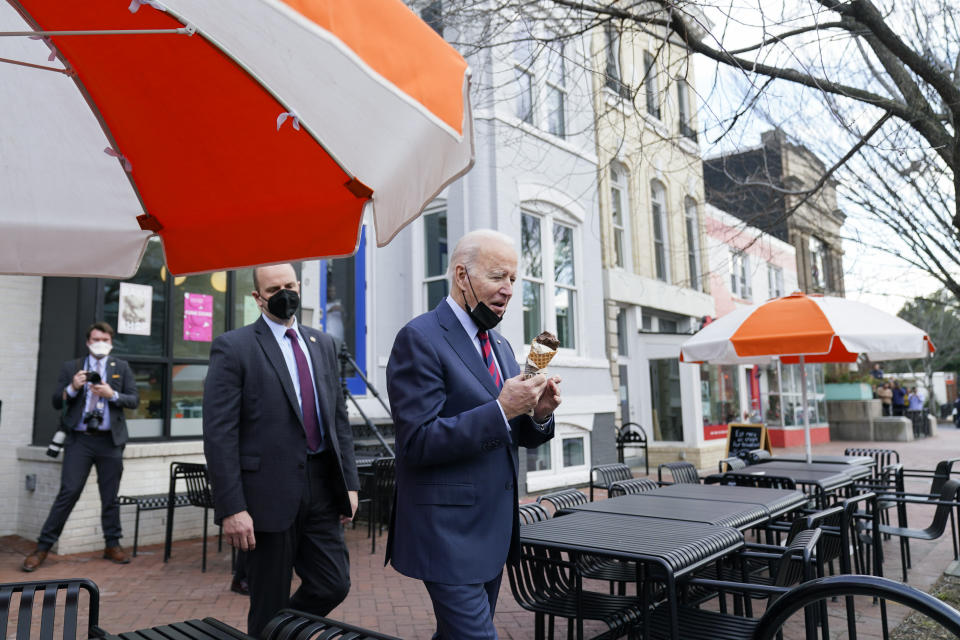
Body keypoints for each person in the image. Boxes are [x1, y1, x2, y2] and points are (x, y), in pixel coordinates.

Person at [385, 229, 561, 639]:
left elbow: (512, 433)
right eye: (498, 276)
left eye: (514, 280)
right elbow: (417, 442)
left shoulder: (500, 345)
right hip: (446, 534)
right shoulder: (419, 337)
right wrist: (502, 408)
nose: (509, 289)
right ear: (462, 276)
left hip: (492, 532)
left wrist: (537, 415)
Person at [203, 263, 360, 636]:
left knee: (333, 583)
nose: (285, 293)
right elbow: (219, 433)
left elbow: (338, 419)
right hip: (265, 496)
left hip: (322, 486)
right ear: (258, 298)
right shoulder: (234, 347)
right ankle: (271, 628)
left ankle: (279, 631)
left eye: (290, 285)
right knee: (268, 599)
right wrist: (232, 508)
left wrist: (349, 485)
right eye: (274, 289)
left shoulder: (323, 344)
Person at [22, 322, 139, 572]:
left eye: (105, 339)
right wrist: (73, 387)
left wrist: (112, 394)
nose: (100, 343)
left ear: (111, 342)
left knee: (110, 496)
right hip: (80, 440)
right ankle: (42, 547)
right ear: (88, 342)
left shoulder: (121, 367)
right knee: (69, 492)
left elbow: (134, 400)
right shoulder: (72, 367)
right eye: (96, 339)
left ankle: (112, 544)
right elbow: (56, 401)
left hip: (110, 441)